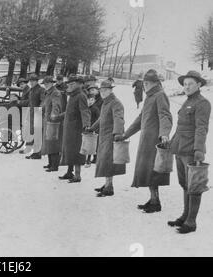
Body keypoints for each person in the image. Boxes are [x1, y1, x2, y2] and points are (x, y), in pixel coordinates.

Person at [117, 69, 173, 213]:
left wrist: (164, 134)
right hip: (146, 140)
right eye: (144, 83)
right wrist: (125, 135)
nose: (144, 86)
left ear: (154, 83)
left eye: (146, 83)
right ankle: (153, 199)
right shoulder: (150, 96)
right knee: (148, 170)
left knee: (153, 171)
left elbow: (165, 116)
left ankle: (155, 203)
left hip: (154, 140)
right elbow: (140, 120)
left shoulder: (160, 95)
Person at [168, 71, 211, 234]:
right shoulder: (187, 101)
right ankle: (185, 216)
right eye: (185, 84)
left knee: (194, 185)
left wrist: (199, 150)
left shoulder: (202, 103)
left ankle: (191, 222)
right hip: (180, 148)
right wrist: (171, 143)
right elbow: (180, 127)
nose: (186, 87)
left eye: (190, 84)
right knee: (184, 183)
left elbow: (201, 128)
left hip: (191, 150)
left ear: (199, 84)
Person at [89, 80, 126, 197]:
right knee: (105, 161)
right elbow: (101, 119)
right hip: (104, 136)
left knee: (108, 162)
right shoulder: (106, 103)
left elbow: (119, 118)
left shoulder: (116, 103)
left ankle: (109, 187)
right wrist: (92, 128)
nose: (102, 93)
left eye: (105, 90)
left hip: (111, 136)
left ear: (110, 90)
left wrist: (117, 134)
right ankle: (107, 184)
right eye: (101, 91)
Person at [59, 74, 91, 183]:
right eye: (69, 84)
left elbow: (85, 111)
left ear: (78, 84)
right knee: (69, 150)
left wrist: (86, 125)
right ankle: (69, 172)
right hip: (69, 128)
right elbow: (69, 111)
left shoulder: (81, 95)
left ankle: (77, 176)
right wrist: (59, 116)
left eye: (73, 84)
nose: (70, 86)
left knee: (77, 151)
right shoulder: (72, 95)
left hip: (76, 128)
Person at [41, 76, 64, 172]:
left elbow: (56, 105)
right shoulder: (48, 93)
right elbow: (45, 105)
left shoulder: (55, 93)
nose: (46, 85)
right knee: (49, 143)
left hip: (53, 122)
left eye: (47, 83)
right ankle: (50, 163)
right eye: (45, 83)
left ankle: (55, 165)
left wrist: (54, 115)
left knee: (54, 143)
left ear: (52, 83)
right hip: (48, 120)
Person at [25, 74, 45, 160]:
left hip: (38, 114)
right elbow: (30, 102)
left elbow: (43, 101)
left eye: (33, 81)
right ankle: (36, 152)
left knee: (38, 134)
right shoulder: (31, 90)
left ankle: (38, 153)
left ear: (37, 81)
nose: (31, 82)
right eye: (30, 81)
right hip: (32, 114)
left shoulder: (41, 90)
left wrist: (38, 110)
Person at [85, 85, 103, 167]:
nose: (92, 92)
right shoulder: (90, 101)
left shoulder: (101, 99)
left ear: (97, 90)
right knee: (91, 141)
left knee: (96, 141)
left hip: (98, 122)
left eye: (93, 90)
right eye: (90, 90)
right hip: (92, 123)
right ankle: (92, 158)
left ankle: (96, 157)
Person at [16, 77, 30, 155]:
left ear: (25, 83)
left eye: (22, 84)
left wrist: (19, 102)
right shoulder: (25, 90)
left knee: (27, 130)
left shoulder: (28, 90)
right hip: (25, 111)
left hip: (27, 111)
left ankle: (28, 148)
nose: (21, 86)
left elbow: (28, 101)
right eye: (20, 84)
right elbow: (24, 99)